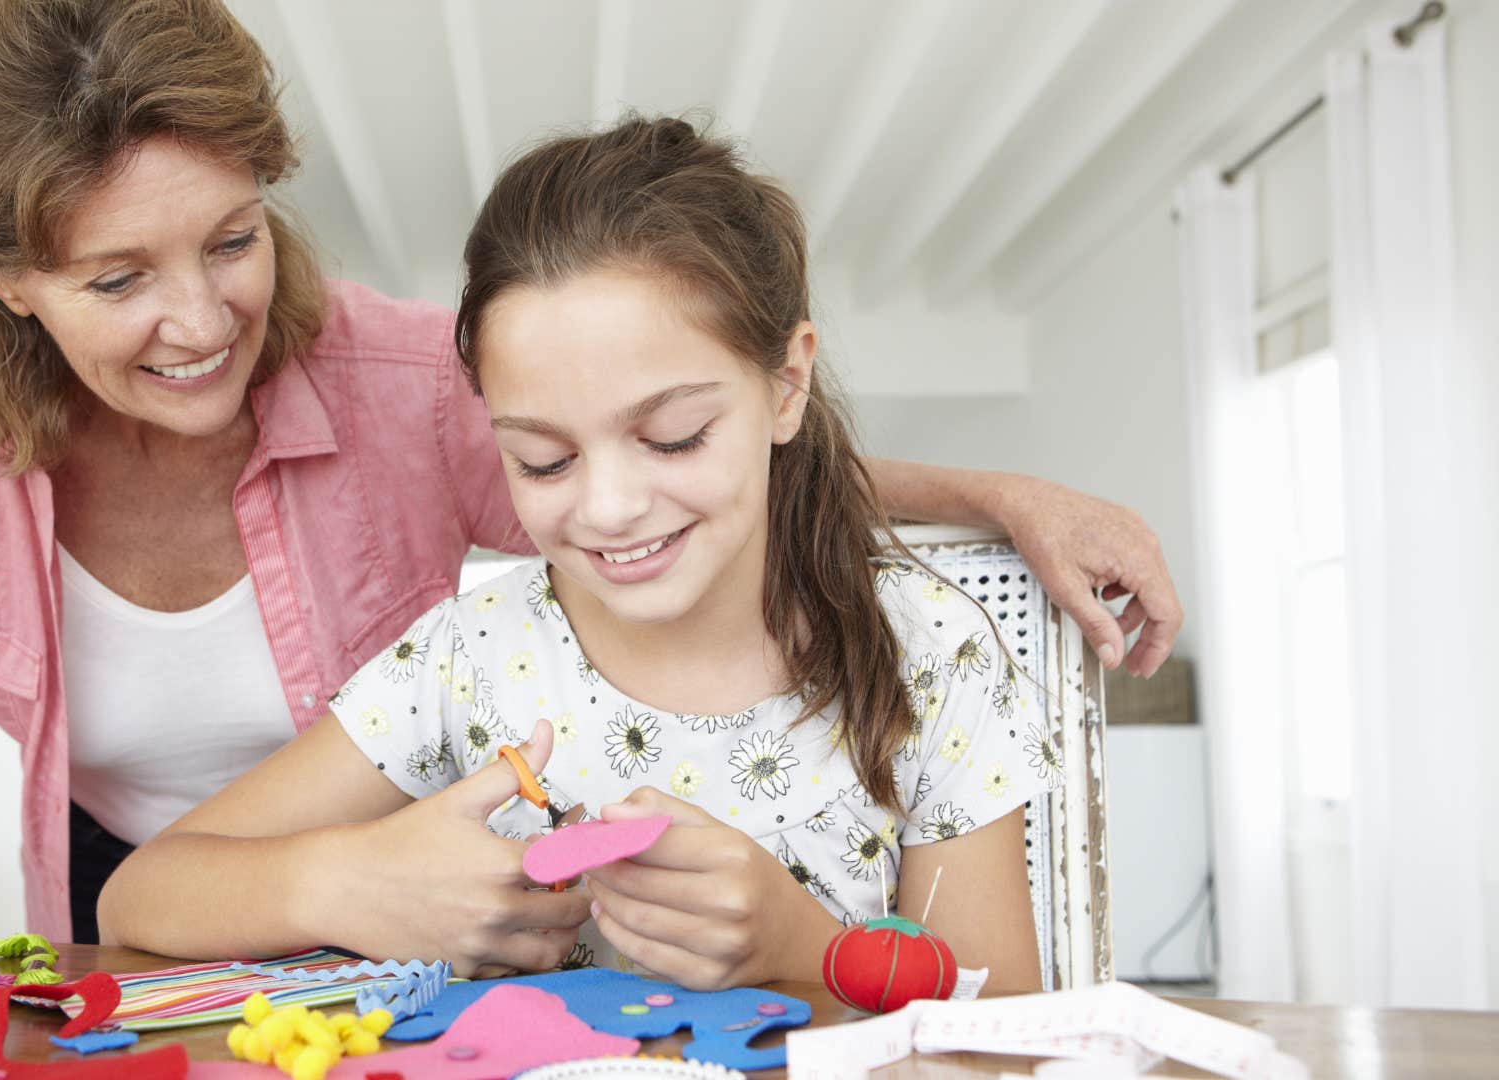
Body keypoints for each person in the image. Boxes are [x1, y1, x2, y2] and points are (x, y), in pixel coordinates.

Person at [0, 0, 1177, 949]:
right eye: (120, 281)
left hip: (446, 874)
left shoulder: (420, 386)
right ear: (6, 278)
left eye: (230, 239)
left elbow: (698, 447)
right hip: (198, 878)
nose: (202, 320)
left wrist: (1004, 496)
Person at [96, 117, 1058, 993]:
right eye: (542, 458)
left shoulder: (931, 649)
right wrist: (347, 878)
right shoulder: (471, 660)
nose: (608, 508)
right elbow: (137, 896)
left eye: (675, 436)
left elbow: (1011, 1031)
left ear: (786, 385)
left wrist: (805, 950)